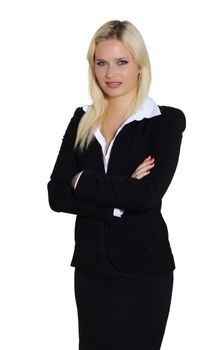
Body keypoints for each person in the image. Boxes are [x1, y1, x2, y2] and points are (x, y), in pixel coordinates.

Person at [47, 19, 186, 350]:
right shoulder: (82, 120)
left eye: (122, 61)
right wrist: (120, 195)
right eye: (102, 62)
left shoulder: (164, 122)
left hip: (144, 270)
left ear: (140, 65)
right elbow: (56, 194)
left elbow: (148, 196)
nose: (111, 73)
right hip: (91, 269)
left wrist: (83, 180)